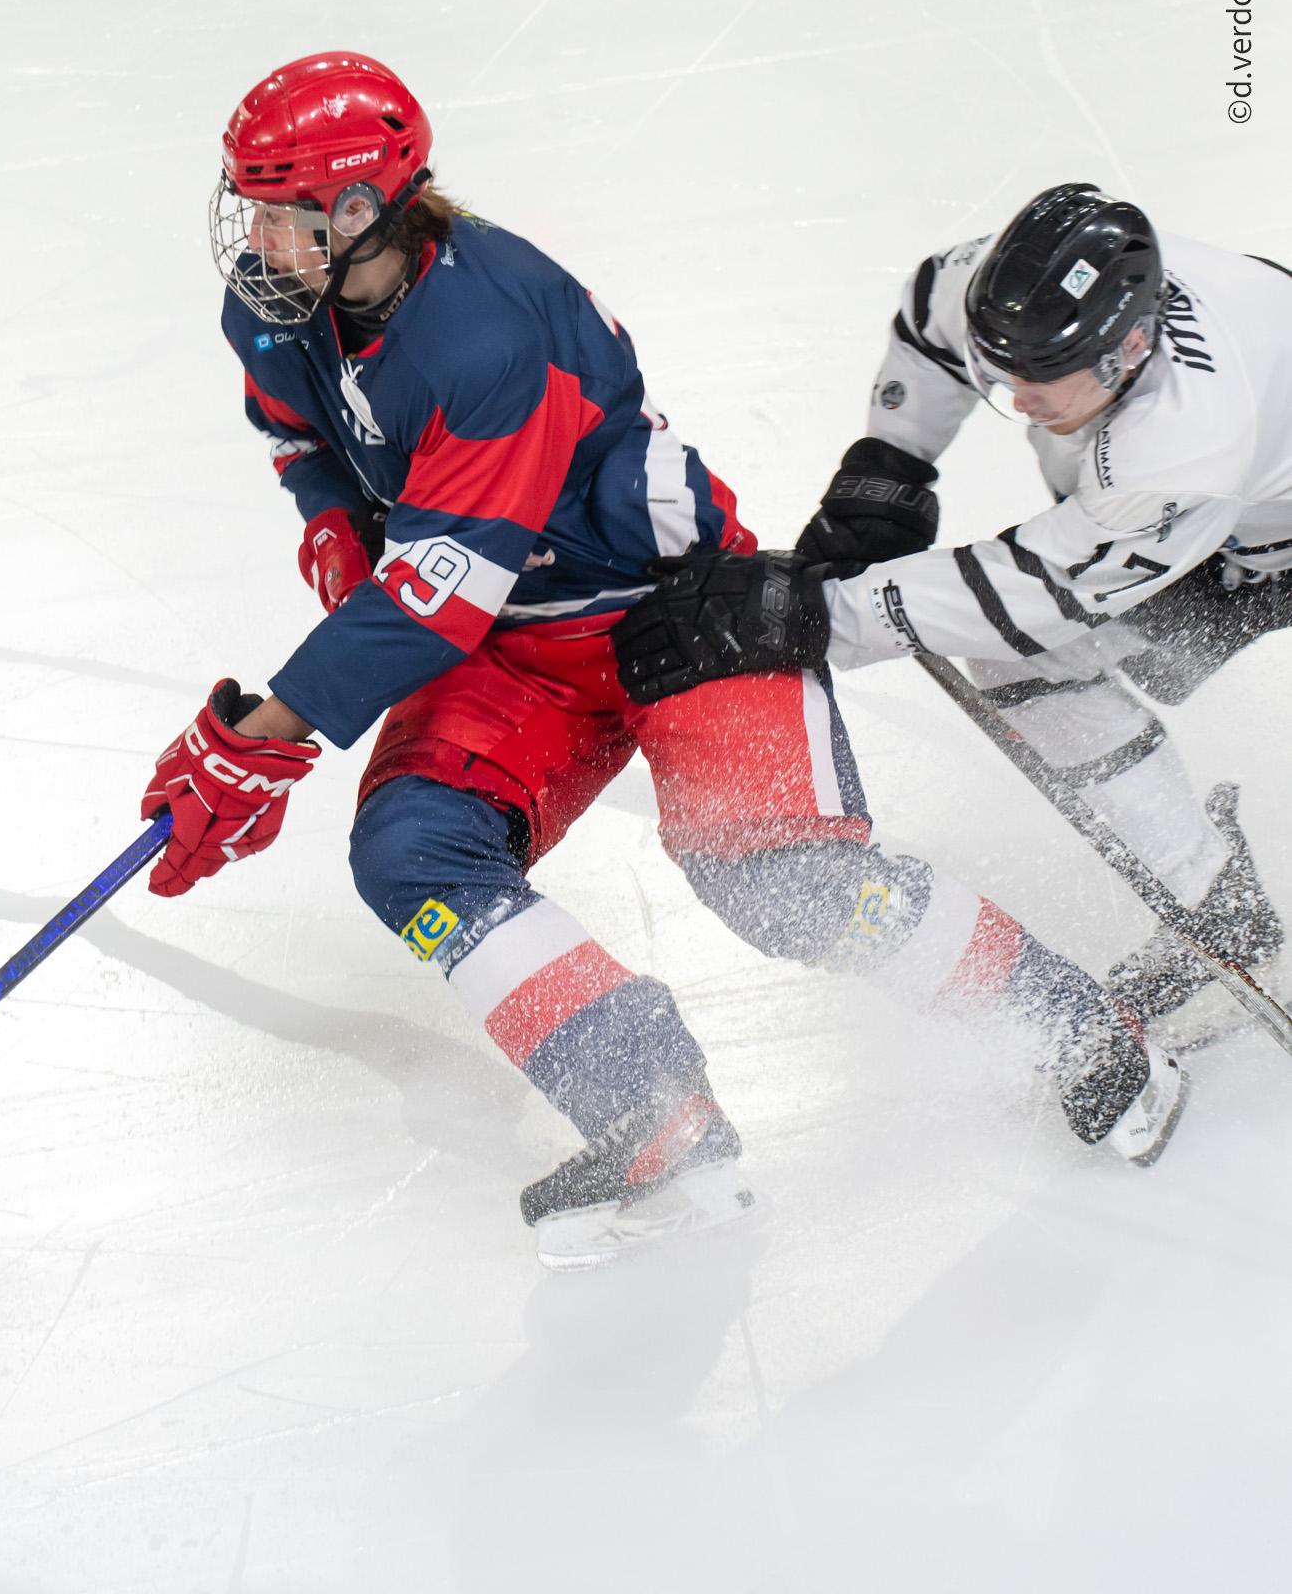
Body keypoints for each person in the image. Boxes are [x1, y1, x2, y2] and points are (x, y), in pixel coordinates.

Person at [145, 86, 1185, 1271]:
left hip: (676, 611)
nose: (255, 243)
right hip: (515, 645)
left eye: (281, 213)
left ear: (363, 207)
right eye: (252, 209)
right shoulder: (280, 304)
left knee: (782, 877)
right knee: (412, 850)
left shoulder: (489, 331)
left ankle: (1083, 1030)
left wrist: (262, 736)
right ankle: (654, 1111)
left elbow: (438, 591)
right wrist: (333, 520)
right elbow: (302, 437)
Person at [613, 183, 1288, 1036]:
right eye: (1005, 368)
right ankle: (1209, 883)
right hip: (1240, 465)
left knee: (1028, 657)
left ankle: (1217, 910)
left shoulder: (1185, 444)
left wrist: (813, 611)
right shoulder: (1019, 298)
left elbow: (1033, 597)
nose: (1015, 397)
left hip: (1267, 538)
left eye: (1041, 378)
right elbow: (933, 322)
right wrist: (890, 465)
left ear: (1129, 347)